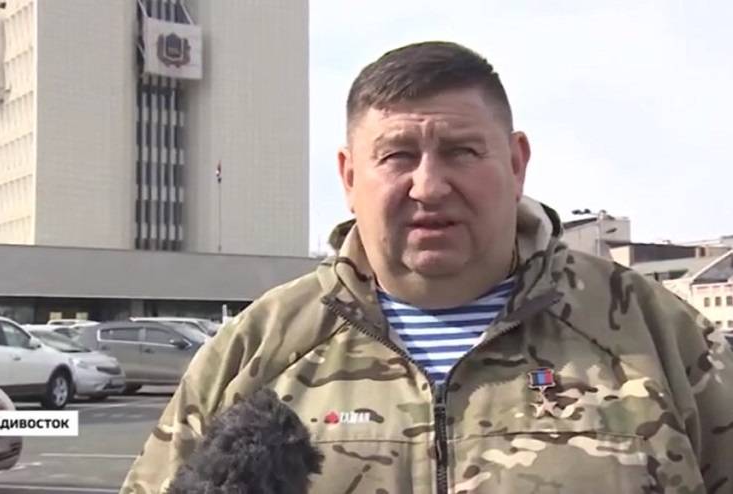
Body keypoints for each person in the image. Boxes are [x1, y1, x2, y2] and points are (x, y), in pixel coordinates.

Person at [121, 41, 733, 493]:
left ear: (516, 163)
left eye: (462, 151)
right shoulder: (256, 351)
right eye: (397, 156)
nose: (430, 186)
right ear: (349, 176)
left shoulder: (656, 335)